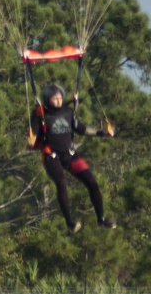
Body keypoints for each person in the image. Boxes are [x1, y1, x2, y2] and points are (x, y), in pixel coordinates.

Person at [30, 83, 115, 233]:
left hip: (70, 155)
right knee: (61, 183)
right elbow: (33, 136)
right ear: (47, 99)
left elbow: (82, 129)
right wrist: (30, 140)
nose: (59, 101)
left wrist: (103, 133)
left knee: (92, 183)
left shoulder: (68, 112)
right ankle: (70, 223)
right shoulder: (40, 114)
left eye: (60, 98)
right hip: (51, 156)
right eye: (55, 98)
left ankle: (101, 219)